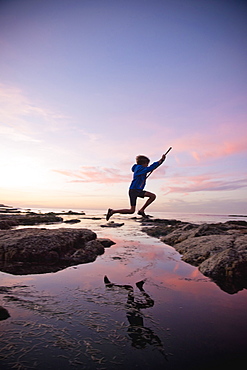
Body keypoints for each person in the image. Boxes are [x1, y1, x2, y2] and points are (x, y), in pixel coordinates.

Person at [106, 153, 166, 220]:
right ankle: (113, 211)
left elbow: (149, 168)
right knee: (132, 210)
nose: (147, 165)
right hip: (134, 190)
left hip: (138, 190)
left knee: (152, 196)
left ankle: (141, 210)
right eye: (147, 164)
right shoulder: (139, 169)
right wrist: (161, 160)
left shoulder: (140, 169)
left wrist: (159, 162)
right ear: (143, 164)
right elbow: (150, 168)